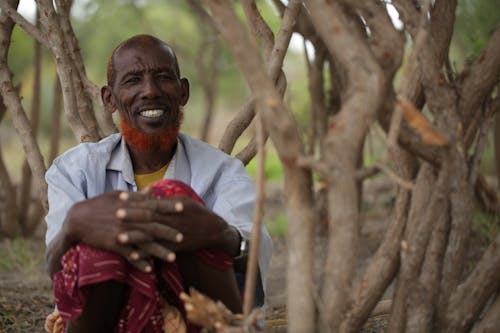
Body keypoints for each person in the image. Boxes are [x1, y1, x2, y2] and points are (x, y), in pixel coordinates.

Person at [43, 34, 272, 333]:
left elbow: (255, 253)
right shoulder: (75, 170)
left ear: (183, 91)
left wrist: (221, 235)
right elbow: (55, 268)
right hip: (108, 321)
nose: (149, 91)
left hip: (198, 320)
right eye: (133, 80)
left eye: (163, 77)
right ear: (109, 99)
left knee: (174, 199)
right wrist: (75, 224)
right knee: (104, 227)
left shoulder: (221, 171)